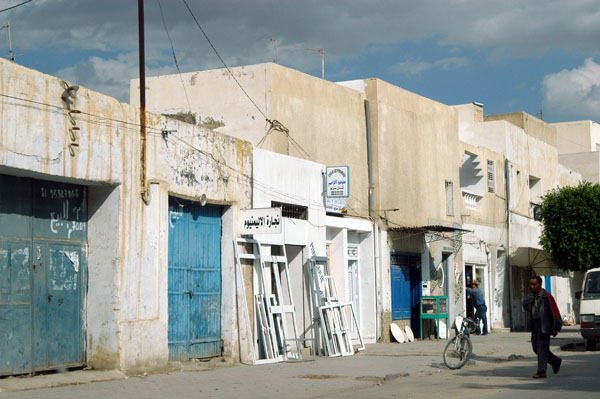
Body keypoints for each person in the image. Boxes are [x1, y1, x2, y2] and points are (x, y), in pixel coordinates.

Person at [522, 275, 563, 378]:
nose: (532, 286)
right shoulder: (532, 296)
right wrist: (529, 295)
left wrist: (555, 327)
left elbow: (555, 312)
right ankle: (555, 361)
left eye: (534, 284)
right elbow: (525, 307)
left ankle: (541, 372)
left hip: (545, 325)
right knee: (536, 348)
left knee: (541, 349)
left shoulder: (547, 297)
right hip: (534, 325)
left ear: (540, 284)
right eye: (530, 284)